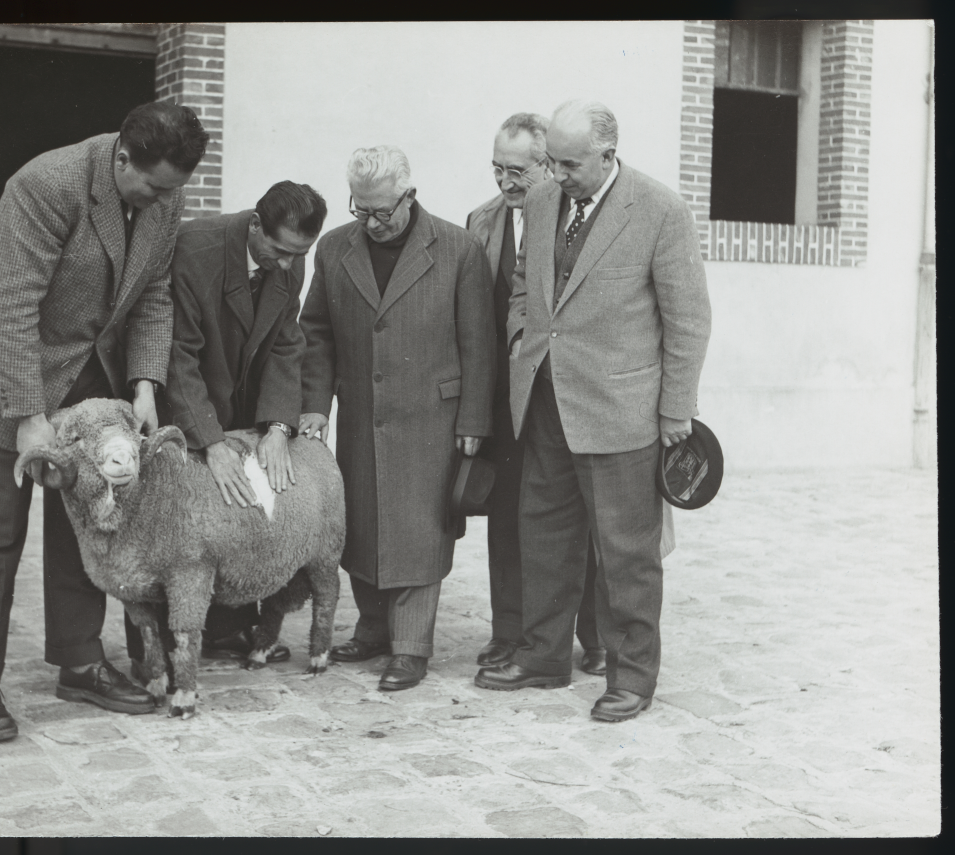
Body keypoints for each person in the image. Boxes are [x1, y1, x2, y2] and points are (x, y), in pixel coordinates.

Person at [0, 101, 209, 742]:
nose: (165, 200)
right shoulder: (45, 185)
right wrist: (29, 419)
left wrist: (143, 385)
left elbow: (155, 293)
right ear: (121, 158)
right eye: (155, 186)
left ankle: (80, 661)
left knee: (89, 517)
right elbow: (10, 305)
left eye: (174, 190)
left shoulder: (162, 196)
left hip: (84, 367)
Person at [474, 100, 711, 722]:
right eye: (550, 160)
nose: (556, 173)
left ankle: (632, 677)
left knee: (626, 554)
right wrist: (524, 338)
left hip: (623, 411)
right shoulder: (548, 198)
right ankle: (543, 657)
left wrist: (675, 410)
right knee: (544, 536)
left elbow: (688, 320)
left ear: (608, 155)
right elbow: (526, 281)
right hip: (546, 402)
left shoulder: (659, 210)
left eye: (569, 163)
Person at [299, 145, 495, 691]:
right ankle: (373, 627)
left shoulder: (459, 248)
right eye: (360, 210)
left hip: (434, 417)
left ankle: (411, 646)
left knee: (419, 531)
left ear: (409, 196)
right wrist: (315, 407)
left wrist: (474, 421)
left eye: (383, 211)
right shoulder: (335, 248)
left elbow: (479, 343)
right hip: (363, 414)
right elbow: (315, 334)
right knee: (361, 526)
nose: (372, 223)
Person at [123, 180, 328, 673]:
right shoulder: (196, 250)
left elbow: (285, 343)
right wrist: (210, 442)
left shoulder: (288, 254)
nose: (286, 265)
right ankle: (154, 651)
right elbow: (180, 357)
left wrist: (279, 425)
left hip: (241, 401)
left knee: (232, 512)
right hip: (188, 403)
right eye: (279, 251)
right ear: (255, 225)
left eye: (297, 255)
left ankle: (226, 629)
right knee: (172, 528)